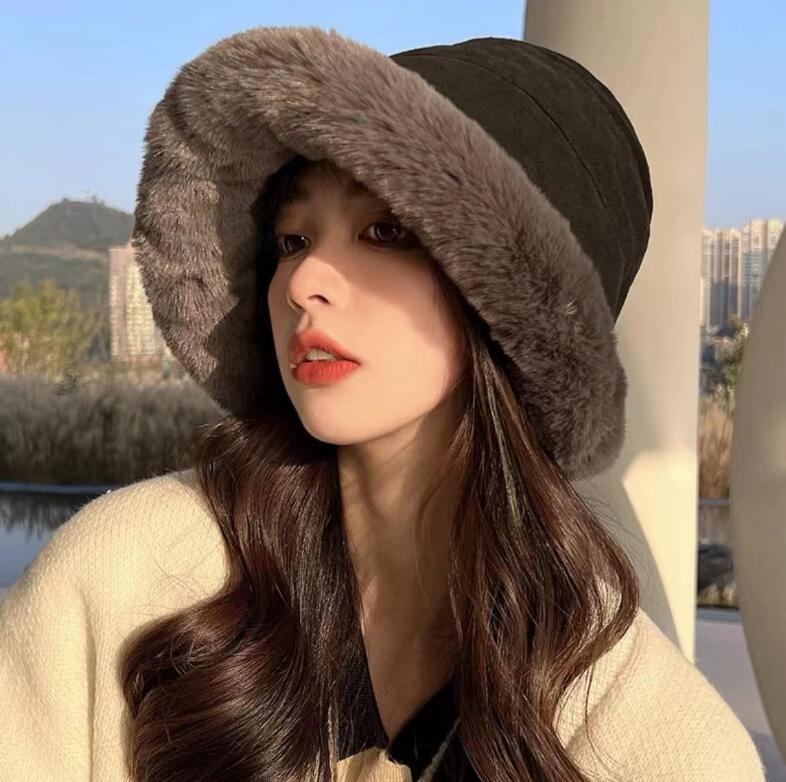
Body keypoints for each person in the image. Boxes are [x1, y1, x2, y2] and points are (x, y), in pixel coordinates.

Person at [0, 25, 765, 782]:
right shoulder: (124, 581)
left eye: (385, 229)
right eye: (292, 241)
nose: (303, 284)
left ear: (518, 305)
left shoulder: (649, 734)